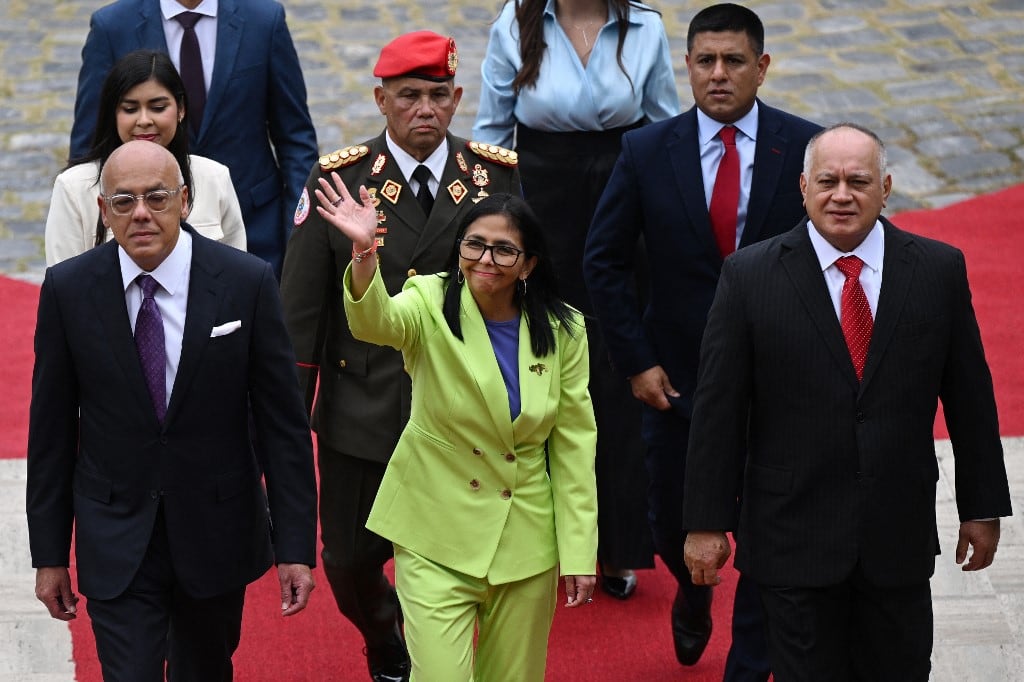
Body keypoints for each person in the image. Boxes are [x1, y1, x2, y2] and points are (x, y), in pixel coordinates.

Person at [681, 122, 1012, 681]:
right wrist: (706, 523)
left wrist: (981, 507)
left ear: (886, 188)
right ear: (803, 187)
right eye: (828, 181)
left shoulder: (936, 270)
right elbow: (718, 410)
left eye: (858, 181)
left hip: (896, 538)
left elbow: (970, 399)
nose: (842, 195)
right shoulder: (750, 276)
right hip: (792, 536)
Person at [583, 2, 821, 675]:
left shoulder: (804, 146)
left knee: (769, 535)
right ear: (686, 67)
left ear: (762, 67)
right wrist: (636, 361)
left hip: (779, 382)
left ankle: (748, 660)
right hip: (674, 381)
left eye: (734, 61)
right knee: (670, 522)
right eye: (705, 61)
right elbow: (602, 260)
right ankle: (691, 598)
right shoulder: (645, 150)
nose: (719, 74)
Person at [279, 31, 522, 682]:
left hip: (461, 414)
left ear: (458, 98)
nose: (425, 109)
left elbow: (525, 300)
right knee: (350, 562)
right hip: (364, 412)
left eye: (439, 96)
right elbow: (300, 317)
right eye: (409, 96)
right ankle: (384, 633)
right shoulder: (338, 181)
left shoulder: (495, 177)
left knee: (452, 564)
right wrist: (281, 428)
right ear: (381, 100)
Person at [26, 140, 318, 680]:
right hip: (114, 531)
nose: (141, 213)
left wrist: (295, 545)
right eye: (123, 200)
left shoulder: (245, 282)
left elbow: (283, 426)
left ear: (185, 202)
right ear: (102, 210)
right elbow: (51, 432)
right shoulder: (69, 290)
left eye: (157, 197)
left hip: (215, 531)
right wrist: (48, 554)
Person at [317, 180, 597, 681]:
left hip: (525, 541)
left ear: (529, 264)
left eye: (504, 249)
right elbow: (376, 322)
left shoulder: (565, 329)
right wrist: (365, 252)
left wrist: (579, 551)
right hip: (434, 531)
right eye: (474, 244)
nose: (485, 259)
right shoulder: (428, 299)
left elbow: (575, 445)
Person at [472, 0, 679, 600]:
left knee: (616, 375)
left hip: (622, 209)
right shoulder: (514, 24)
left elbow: (664, 124)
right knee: (544, 372)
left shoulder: (645, 26)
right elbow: (491, 135)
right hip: (543, 214)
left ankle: (617, 546)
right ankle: (536, 538)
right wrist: (492, 232)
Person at [69, 0, 318, 277]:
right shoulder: (112, 26)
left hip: (255, 231)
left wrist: (301, 236)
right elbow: (91, 144)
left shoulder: (264, 20)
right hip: (139, 242)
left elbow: (296, 140)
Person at [46, 49, 245, 265]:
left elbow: (236, 277)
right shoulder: (73, 187)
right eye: (130, 109)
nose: (144, 120)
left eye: (158, 108)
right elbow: (64, 286)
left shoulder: (215, 178)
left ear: (181, 109)